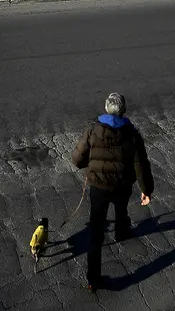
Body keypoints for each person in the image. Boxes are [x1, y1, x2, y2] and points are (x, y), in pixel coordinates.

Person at [71, 92, 154, 290]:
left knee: (96, 230)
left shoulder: (92, 130)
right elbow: (140, 164)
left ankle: (93, 279)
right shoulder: (132, 135)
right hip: (121, 185)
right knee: (121, 210)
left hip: (98, 187)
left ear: (106, 109)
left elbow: (77, 160)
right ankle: (121, 232)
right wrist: (146, 189)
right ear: (123, 111)